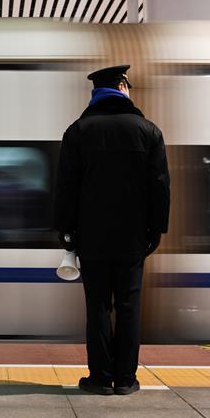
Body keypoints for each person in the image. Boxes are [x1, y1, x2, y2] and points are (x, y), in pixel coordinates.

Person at [54, 64, 170, 396]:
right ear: (122, 86)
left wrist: (66, 232)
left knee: (98, 306)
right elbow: (160, 186)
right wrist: (156, 230)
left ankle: (101, 378)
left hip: (91, 237)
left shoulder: (77, 131)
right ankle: (126, 380)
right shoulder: (148, 131)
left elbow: (66, 188)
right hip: (133, 237)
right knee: (130, 307)